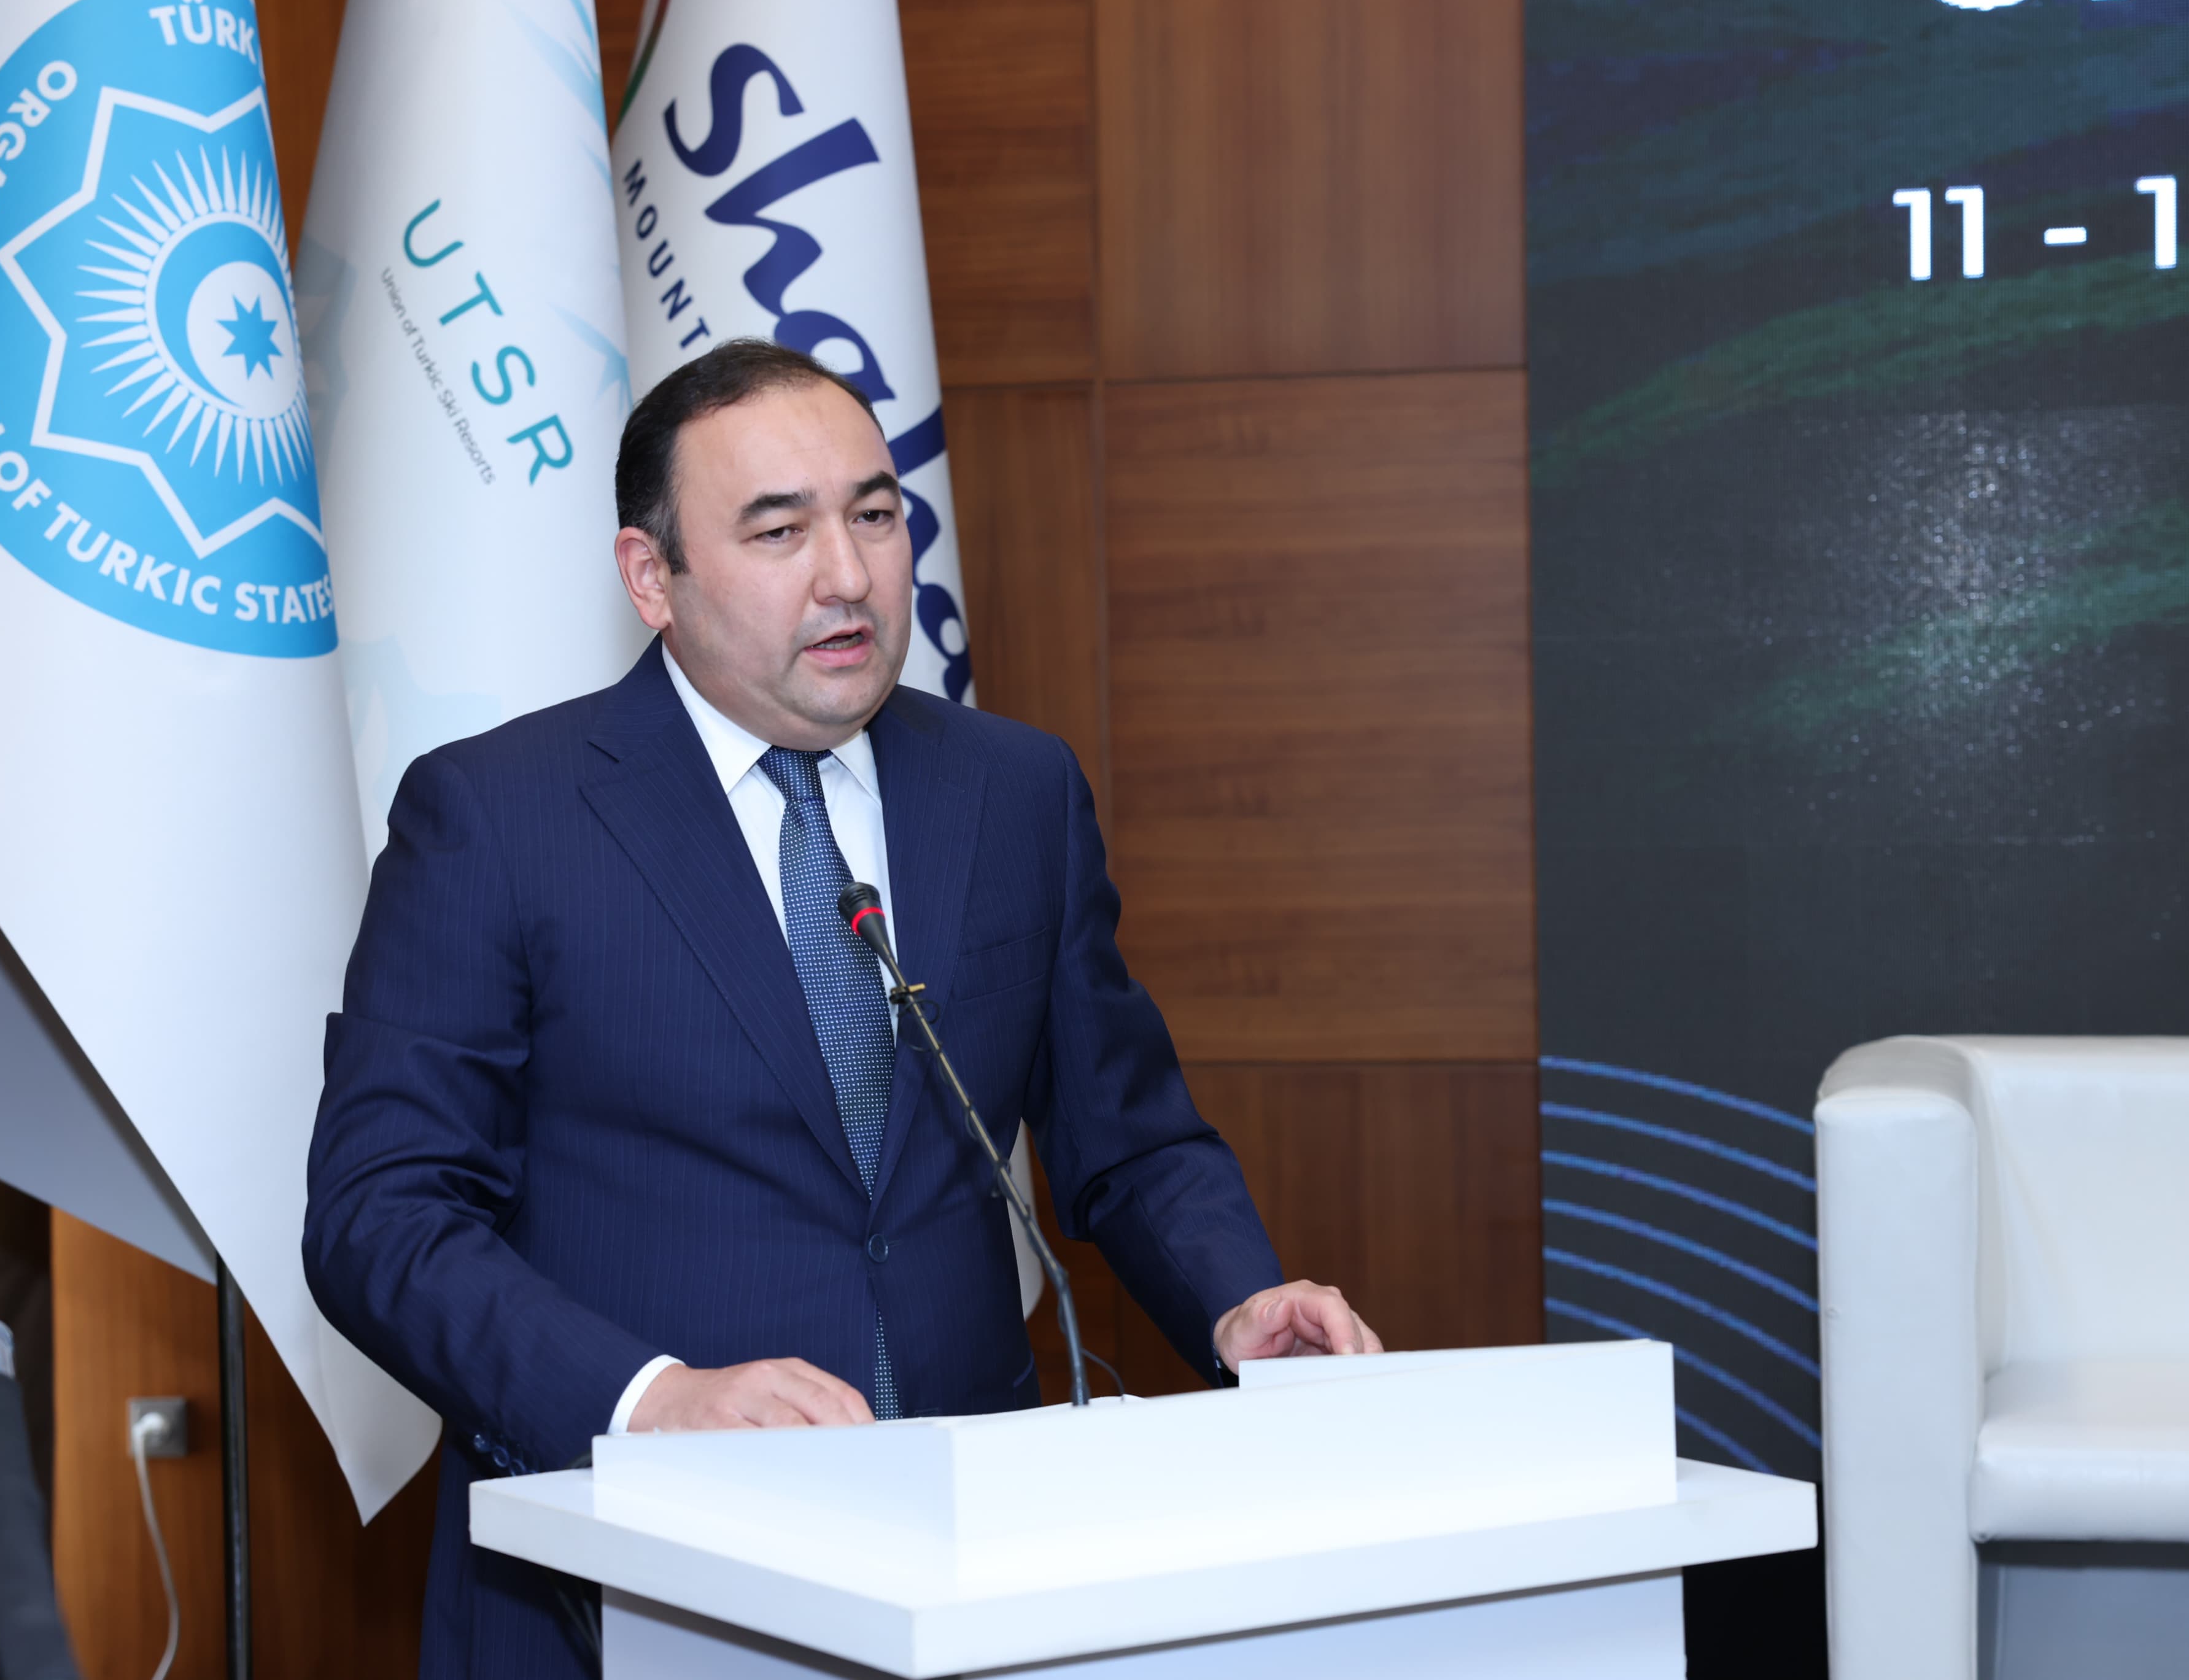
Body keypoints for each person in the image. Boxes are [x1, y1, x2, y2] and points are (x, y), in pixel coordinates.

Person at [303, 338, 1381, 1677]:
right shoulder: (500, 816)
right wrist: (649, 1400)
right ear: (652, 576)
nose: (849, 574)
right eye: (779, 531)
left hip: (974, 1569)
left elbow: (1132, 1136)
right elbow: (381, 1217)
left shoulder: (1015, 792)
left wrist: (1238, 1302)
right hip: (623, 1578)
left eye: (874, 514)